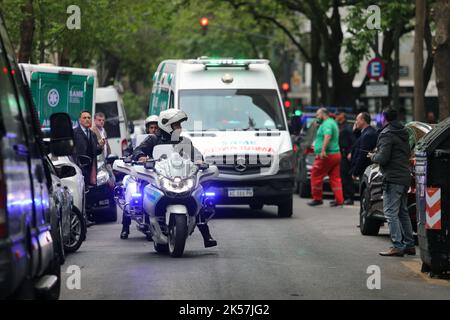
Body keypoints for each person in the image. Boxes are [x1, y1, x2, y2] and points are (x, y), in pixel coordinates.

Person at [120, 109, 217, 248]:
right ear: (167, 125)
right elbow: (138, 150)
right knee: (142, 190)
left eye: (179, 125)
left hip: (181, 178)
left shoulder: (185, 141)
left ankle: (206, 234)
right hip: (161, 177)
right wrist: (140, 156)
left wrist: (200, 161)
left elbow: (197, 156)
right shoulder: (154, 139)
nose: (180, 128)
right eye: (177, 125)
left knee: (199, 196)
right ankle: (144, 218)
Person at [369, 106, 415, 257]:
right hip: (405, 176)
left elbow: (383, 158)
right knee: (402, 212)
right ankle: (409, 245)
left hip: (393, 178)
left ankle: (397, 245)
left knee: (390, 212)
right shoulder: (404, 132)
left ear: (384, 118)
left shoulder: (386, 134)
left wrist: (373, 156)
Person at [307, 108, 344, 207]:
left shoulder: (327, 124)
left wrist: (323, 150)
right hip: (335, 154)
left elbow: (328, 136)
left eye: (317, 115)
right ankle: (339, 200)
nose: (317, 117)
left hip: (327, 155)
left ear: (323, 114)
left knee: (315, 175)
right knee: (335, 178)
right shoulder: (331, 122)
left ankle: (317, 199)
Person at [73, 110, 102, 226]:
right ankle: (82, 219)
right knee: (81, 193)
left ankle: (86, 217)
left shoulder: (92, 134)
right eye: (84, 118)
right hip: (79, 167)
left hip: (90, 168)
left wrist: (101, 146)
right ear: (80, 120)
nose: (87, 120)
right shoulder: (74, 133)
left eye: (89, 117)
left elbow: (96, 151)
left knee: (88, 193)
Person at [349, 112, 378, 180]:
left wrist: (355, 172)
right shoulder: (365, 132)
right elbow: (358, 144)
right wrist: (355, 131)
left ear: (362, 120)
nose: (355, 122)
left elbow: (362, 155)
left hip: (365, 170)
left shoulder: (368, 134)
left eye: (357, 120)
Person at [335, 112, 356, 205]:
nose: (336, 116)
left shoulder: (347, 127)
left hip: (346, 154)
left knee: (346, 177)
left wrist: (351, 152)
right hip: (340, 154)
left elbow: (353, 141)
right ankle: (343, 197)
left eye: (337, 114)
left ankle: (349, 197)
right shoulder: (340, 126)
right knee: (342, 176)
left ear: (342, 115)